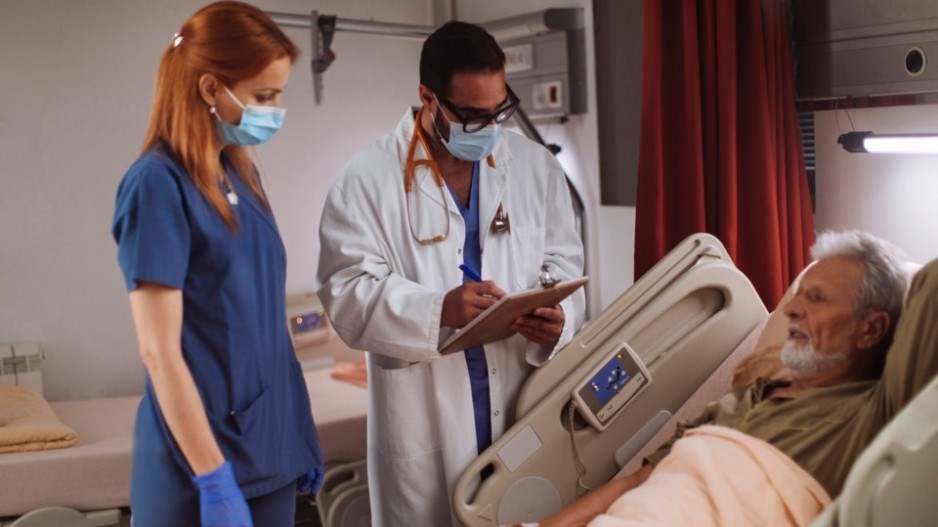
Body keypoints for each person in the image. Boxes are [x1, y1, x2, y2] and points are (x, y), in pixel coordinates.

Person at [316, 21, 586, 526]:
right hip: (426, 417)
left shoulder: (534, 167)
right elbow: (346, 293)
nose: (489, 127)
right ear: (427, 96)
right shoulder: (366, 180)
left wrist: (560, 316)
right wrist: (438, 309)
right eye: (472, 115)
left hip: (522, 397)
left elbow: (564, 266)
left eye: (499, 110)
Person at [539, 230, 938, 526]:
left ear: (871, 330)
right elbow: (631, 484)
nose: (793, 308)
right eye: (800, 293)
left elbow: (929, 287)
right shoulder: (741, 400)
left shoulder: (869, 413)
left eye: (817, 298)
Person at [111, 2, 323, 526]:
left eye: (278, 95)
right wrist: (213, 479)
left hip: (269, 448)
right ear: (211, 89)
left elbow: (265, 328)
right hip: (199, 467)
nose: (275, 111)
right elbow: (158, 352)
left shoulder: (241, 174)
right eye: (263, 96)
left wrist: (298, 430)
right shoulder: (158, 185)